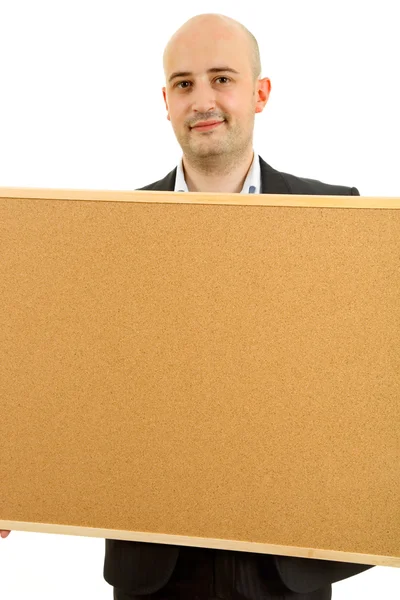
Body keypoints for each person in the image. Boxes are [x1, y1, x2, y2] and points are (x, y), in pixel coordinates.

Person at [2, 12, 375, 600]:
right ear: (166, 101)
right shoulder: (114, 233)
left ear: (260, 92)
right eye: (184, 83)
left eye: (221, 78)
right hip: (156, 564)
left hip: (285, 564)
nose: (203, 99)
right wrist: (17, 475)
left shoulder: (338, 216)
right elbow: (74, 376)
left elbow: (365, 380)